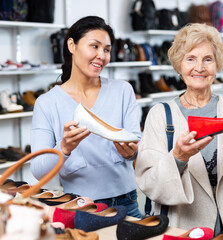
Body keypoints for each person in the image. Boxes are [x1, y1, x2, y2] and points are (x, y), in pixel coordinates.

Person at [135, 23, 223, 238]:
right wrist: (178, 158)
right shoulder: (161, 116)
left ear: (217, 65)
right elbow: (148, 184)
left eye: (208, 59)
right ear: (179, 65)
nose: (199, 67)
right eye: (190, 59)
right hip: (184, 227)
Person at [30, 16, 142, 218]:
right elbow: (38, 170)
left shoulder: (123, 90)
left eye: (107, 49)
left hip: (128, 201)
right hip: (81, 206)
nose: (102, 55)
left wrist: (131, 152)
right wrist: (64, 148)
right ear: (71, 45)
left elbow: (138, 147)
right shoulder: (47, 103)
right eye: (95, 46)